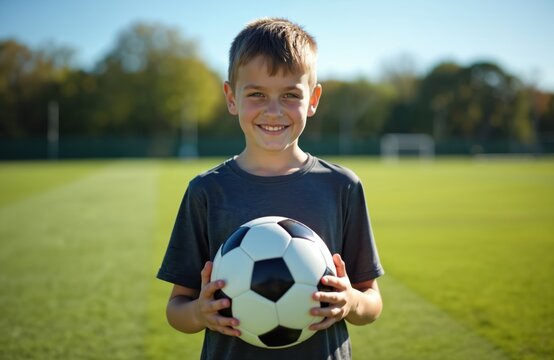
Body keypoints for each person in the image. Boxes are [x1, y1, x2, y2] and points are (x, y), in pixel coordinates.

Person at [157, 17, 384, 360]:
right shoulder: (207, 191)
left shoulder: (342, 186)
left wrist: (350, 301)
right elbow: (177, 307)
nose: (274, 110)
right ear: (231, 98)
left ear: (313, 99)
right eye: (257, 94)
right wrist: (197, 314)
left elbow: (372, 301)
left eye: (291, 94)